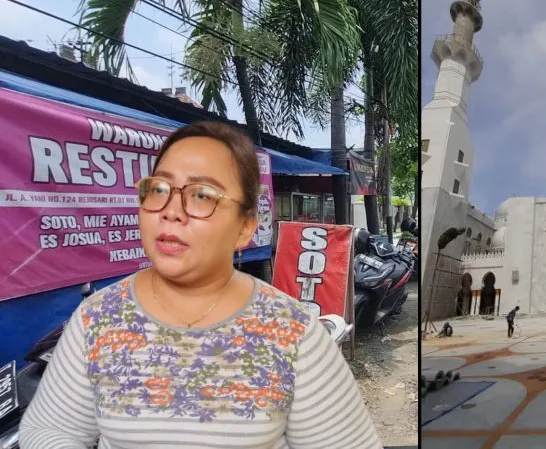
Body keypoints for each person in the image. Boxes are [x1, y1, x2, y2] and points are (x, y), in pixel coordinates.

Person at [20, 121, 382, 448]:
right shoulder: (97, 319)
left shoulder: (292, 333)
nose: (170, 210)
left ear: (245, 227)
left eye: (202, 195)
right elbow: (50, 431)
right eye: (159, 188)